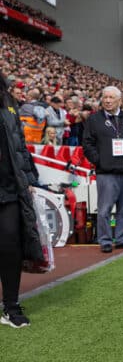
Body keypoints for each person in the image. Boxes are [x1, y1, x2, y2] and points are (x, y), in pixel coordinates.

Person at [0, 74, 43, 328]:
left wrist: (28, 177)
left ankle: (11, 305)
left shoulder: (8, 101)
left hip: (9, 187)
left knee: (11, 246)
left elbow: (19, 144)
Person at [82, 86, 123, 252]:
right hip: (107, 172)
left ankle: (122, 238)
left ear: (120, 101)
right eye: (105, 97)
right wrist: (99, 161)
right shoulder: (94, 120)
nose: (108, 101)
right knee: (104, 209)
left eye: (111, 98)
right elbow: (87, 144)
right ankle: (105, 241)